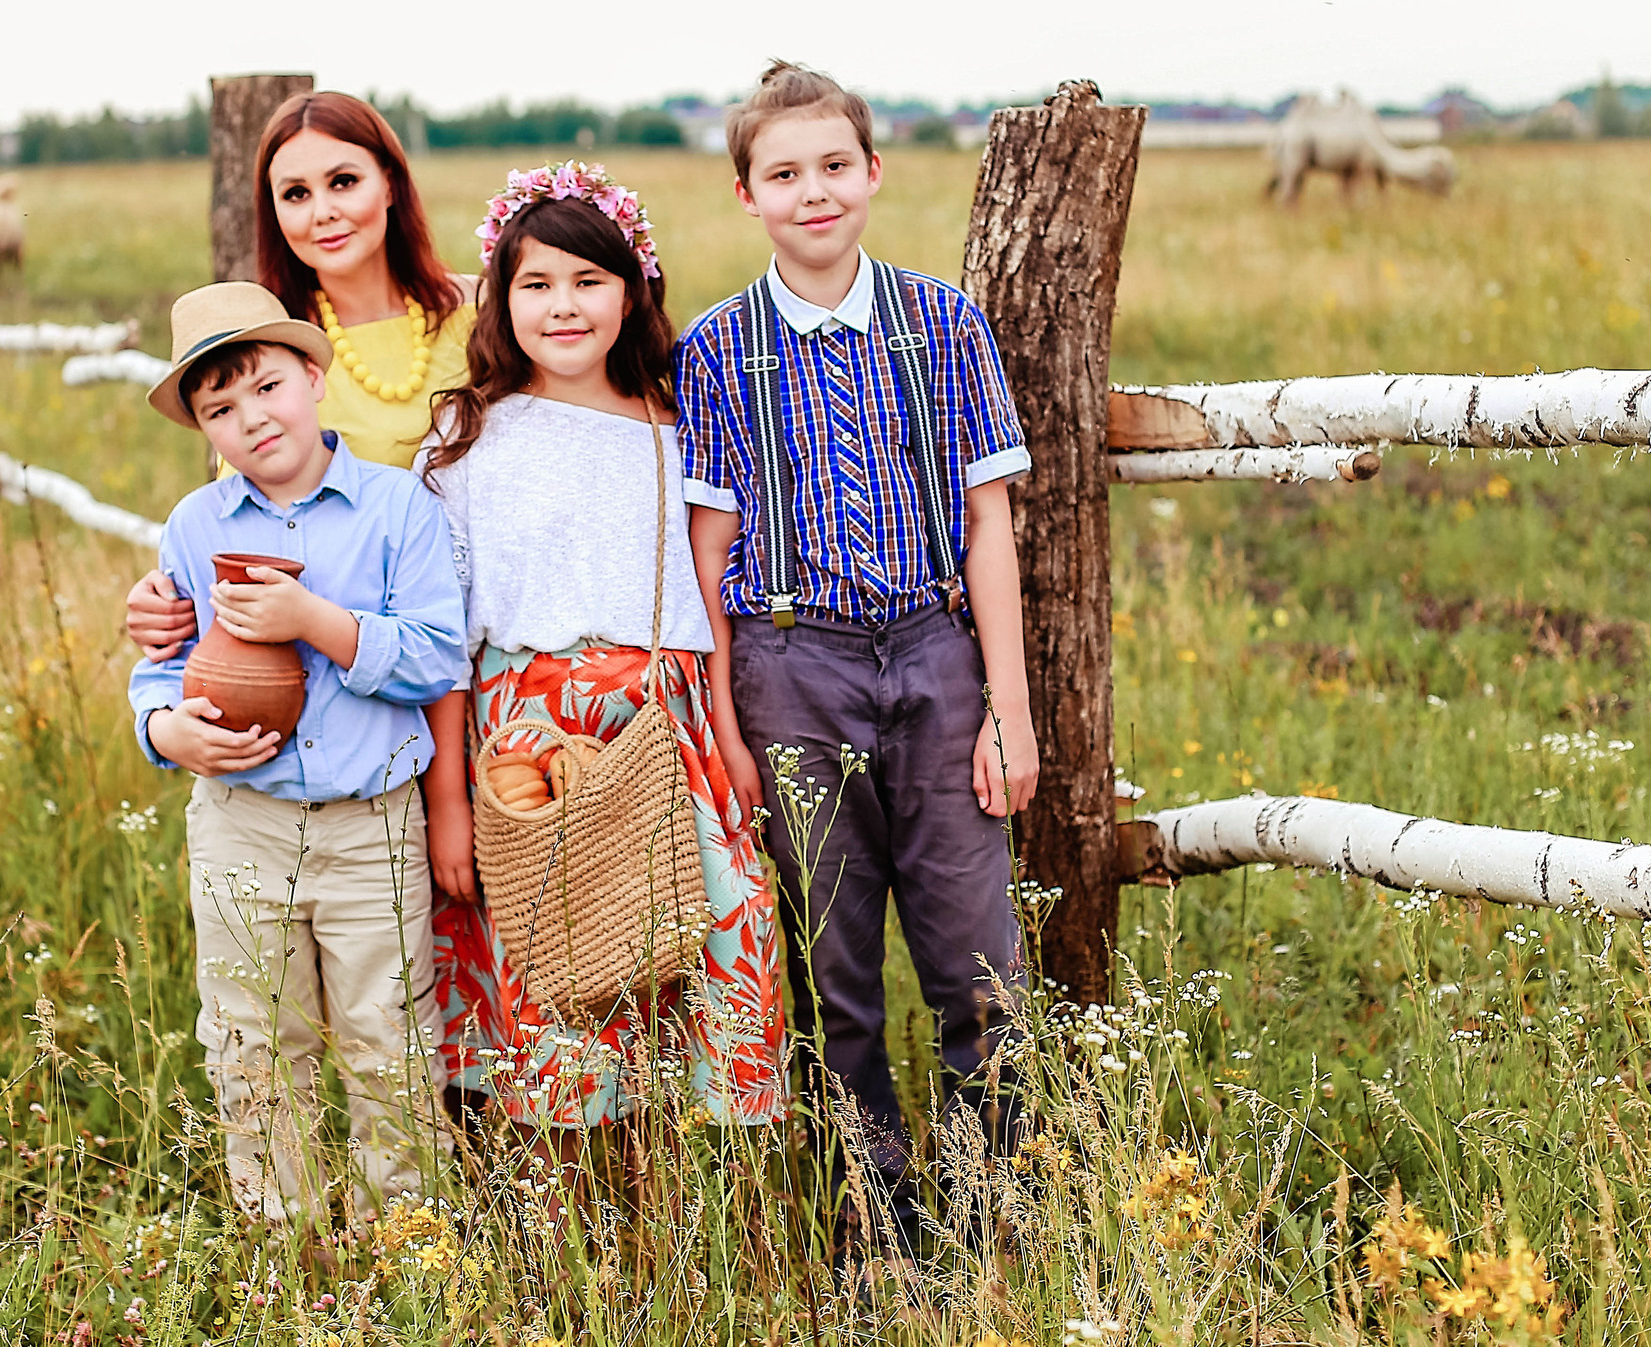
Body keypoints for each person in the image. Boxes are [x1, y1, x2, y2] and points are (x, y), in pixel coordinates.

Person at [677, 63, 1038, 1260]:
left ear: (873, 173)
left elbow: (989, 525)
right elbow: (707, 554)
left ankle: (996, 1222)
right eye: (783, 173)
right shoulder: (718, 350)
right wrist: (728, 727)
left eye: (834, 166)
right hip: (792, 664)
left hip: (935, 654)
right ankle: (877, 1220)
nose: (813, 191)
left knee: (975, 952)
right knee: (833, 962)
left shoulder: (944, 322)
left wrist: (1007, 710)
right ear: (747, 195)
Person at [417, 162, 784, 1133]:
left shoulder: (679, 426)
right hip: (525, 744)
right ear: (501, 299)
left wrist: (734, 739)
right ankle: (572, 1215)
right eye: (536, 285)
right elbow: (444, 640)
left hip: (667, 730)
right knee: (560, 970)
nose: (564, 307)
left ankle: (695, 1194)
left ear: (633, 291)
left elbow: (712, 605)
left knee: (708, 929)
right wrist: (448, 805)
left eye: (588, 281)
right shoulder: (465, 438)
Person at [129, 280, 469, 1221]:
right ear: (204, 429)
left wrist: (316, 621)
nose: (250, 418)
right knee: (251, 1037)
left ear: (314, 376)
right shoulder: (197, 526)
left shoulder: (398, 506)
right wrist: (167, 728)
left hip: (372, 827)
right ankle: (288, 1252)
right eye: (220, 409)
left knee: (388, 1036)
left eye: (267, 387)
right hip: (244, 822)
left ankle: (406, 1242)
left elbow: (439, 654)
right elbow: (162, 666)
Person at [127, 90, 477, 655]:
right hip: (348, 672)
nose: (322, 212)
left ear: (389, 181)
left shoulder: (483, 317)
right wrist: (165, 601)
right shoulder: (269, 359)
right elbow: (241, 528)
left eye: (343, 181)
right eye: (295, 194)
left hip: (489, 651)